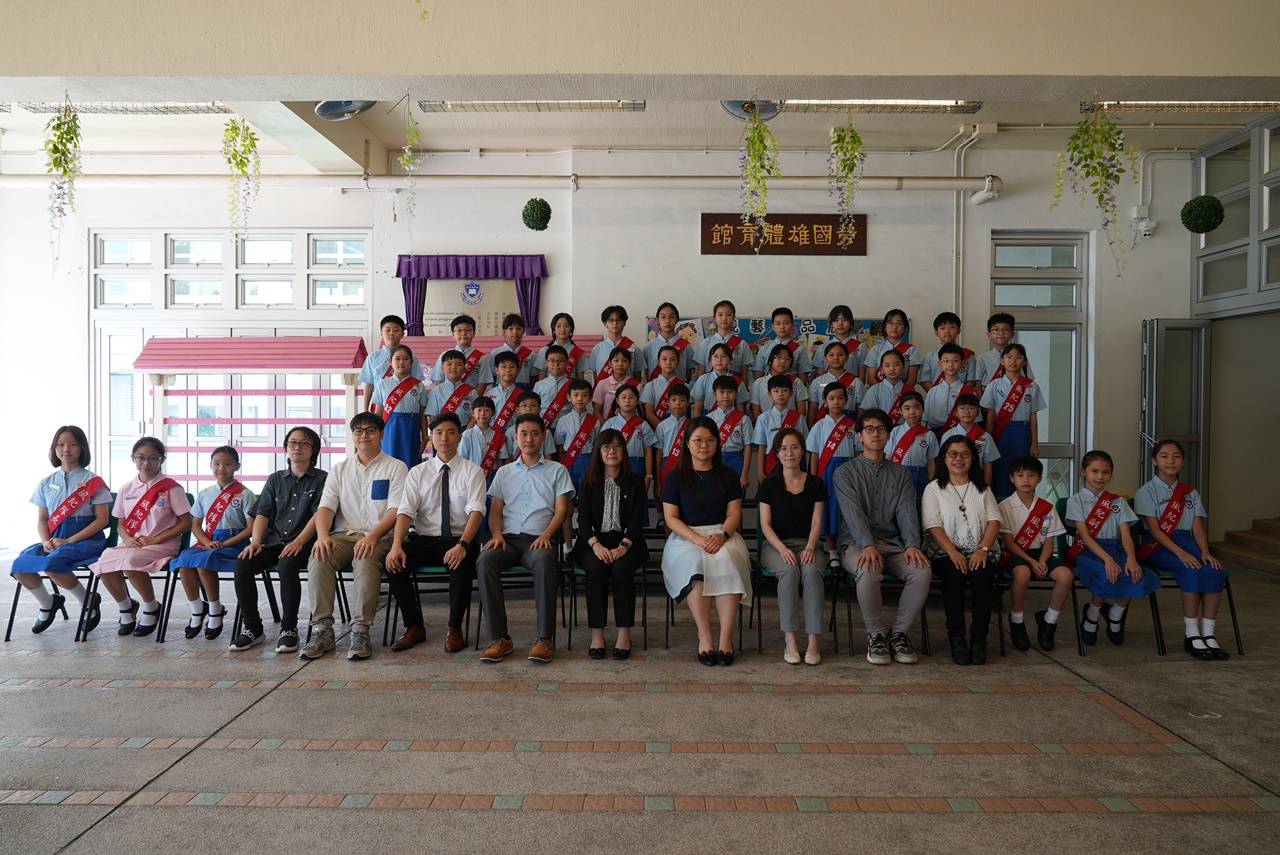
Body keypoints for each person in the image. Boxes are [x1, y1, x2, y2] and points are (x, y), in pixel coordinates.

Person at [302, 412, 407, 661]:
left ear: (381, 434)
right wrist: (322, 536)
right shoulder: (339, 469)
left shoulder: (396, 467)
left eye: (370, 430)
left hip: (380, 537)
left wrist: (372, 537)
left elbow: (396, 510)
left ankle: (360, 630)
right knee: (319, 556)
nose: (364, 435)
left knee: (365, 557)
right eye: (358, 431)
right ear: (352, 436)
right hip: (344, 535)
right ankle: (322, 630)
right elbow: (326, 507)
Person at [833, 408, 929, 666]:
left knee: (921, 571)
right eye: (869, 429)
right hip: (856, 543)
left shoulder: (902, 474)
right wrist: (867, 544)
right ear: (859, 436)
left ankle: (899, 634)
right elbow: (853, 514)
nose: (875, 434)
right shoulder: (845, 473)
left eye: (881, 429)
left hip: (893, 543)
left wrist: (912, 544)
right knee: (867, 569)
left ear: (888, 435)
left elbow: (907, 513)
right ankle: (876, 636)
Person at [384, 413, 486, 653]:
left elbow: (477, 512)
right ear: (431, 437)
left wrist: (462, 545)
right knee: (394, 564)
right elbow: (405, 511)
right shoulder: (418, 472)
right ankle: (414, 626)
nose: (444, 438)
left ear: (460, 437)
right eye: (438, 433)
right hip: (425, 540)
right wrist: (396, 545)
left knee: (462, 563)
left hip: (459, 539)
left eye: (451, 432)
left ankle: (454, 627)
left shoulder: (472, 471)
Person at [478, 413, 575, 664]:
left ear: (543, 437)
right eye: (523, 434)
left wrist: (547, 534)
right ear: (515, 437)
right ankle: (499, 639)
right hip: (507, 540)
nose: (529, 439)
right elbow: (495, 512)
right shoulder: (504, 472)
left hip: (540, 540)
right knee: (485, 560)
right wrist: (496, 535)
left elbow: (562, 511)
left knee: (544, 560)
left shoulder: (557, 470)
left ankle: (544, 639)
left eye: (534, 433)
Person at [661, 417, 752, 666]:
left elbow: (734, 514)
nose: (704, 445)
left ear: (717, 443)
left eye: (710, 440)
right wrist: (698, 540)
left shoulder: (728, 475)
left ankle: (726, 638)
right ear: (687, 443)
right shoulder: (675, 476)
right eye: (698, 440)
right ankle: (705, 636)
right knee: (695, 565)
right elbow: (671, 518)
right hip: (686, 537)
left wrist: (722, 536)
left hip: (723, 534)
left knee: (728, 560)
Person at [229, 427, 327, 653]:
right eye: (293, 442)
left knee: (287, 564)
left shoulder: (323, 479)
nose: (297, 447)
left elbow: (319, 514)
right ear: (286, 447)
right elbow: (262, 513)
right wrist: (255, 541)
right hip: (274, 542)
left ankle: (289, 629)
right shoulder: (275, 479)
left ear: (314, 450)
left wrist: (299, 541)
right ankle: (253, 628)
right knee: (243, 564)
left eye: (304, 443)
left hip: (306, 543)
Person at [10, 426, 112, 636]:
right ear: (54, 449)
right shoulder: (46, 482)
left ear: (82, 448)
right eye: (60, 444)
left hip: (86, 538)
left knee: (53, 564)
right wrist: (45, 541)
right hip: (55, 538)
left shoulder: (93, 481)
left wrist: (70, 540)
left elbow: (102, 520)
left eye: (73, 444)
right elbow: (42, 520)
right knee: (20, 565)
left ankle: (87, 601)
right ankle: (48, 603)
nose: (66, 449)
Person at [88, 437, 192, 637]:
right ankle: (126, 607)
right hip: (133, 543)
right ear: (133, 458)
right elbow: (120, 524)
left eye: (153, 458)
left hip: (162, 543)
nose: (146, 463)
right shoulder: (126, 489)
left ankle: (151, 607)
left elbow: (186, 523)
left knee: (131, 563)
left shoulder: (172, 488)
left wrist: (155, 540)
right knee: (104, 562)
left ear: (162, 460)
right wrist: (127, 538)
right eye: (141, 457)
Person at [1135, 439, 1227, 660]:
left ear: (1182, 461)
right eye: (1164, 456)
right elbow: (1155, 530)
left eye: (1176, 456)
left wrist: (1205, 552)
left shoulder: (1190, 493)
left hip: (1188, 542)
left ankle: (1208, 634)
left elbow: (1197, 527)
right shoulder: (1146, 492)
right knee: (1192, 570)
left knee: (1214, 571)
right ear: (1154, 461)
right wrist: (1180, 553)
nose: (1170, 461)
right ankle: (1192, 634)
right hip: (1159, 545)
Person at [1066, 450, 1159, 649]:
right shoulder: (1075, 501)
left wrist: (1132, 558)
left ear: (1111, 473)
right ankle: (1091, 616)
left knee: (1135, 574)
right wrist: (1107, 560)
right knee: (1108, 575)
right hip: (1088, 551)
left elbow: (1125, 534)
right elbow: (1085, 536)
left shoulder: (1118, 501)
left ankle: (1115, 615)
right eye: (1095, 471)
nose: (1100, 477)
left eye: (1105, 472)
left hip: (1115, 549)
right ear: (1083, 471)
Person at [923, 435, 1002, 665]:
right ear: (944, 458)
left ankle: (979, 638)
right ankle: (956, 637)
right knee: (954, 573)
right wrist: (952, 552)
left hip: (980, 549)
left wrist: (983, 549)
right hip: (945, 551)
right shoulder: (934, 488)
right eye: (953, 454)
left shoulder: (982, 488)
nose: (959, 458)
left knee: (982, 574)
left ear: (973, 458)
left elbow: (995, 521)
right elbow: (932, 525)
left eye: (965, 454)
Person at [574, 429, 648, 660]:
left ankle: (624, 634)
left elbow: (637, 520)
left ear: (624, 451)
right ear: (598, 451)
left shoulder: (636, 482)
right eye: (606, 447)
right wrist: (595, 545)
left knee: (622, 569)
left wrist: (623, 546)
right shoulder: (588, 482)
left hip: (628, 542)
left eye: (617, 446)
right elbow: (583, 520)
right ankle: (597, 635)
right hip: (593, 542)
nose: (611, 451)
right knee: (596, 570)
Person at [758, 427, 829, 665]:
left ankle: (813, 640)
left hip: (808, 544)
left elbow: (817, 522)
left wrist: (810, 547)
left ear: (803, 451)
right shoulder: (768, 485)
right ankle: (790, 639)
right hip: (775, 546)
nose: (789, 453)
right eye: (783, 449)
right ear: (777, 454)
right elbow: (765, 525)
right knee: (788, 571)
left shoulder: (816, 484)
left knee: (812, 571)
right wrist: (782, 549)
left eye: (795, 447)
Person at [170, 447, 255, 640]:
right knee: (185, 562)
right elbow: (196, 525)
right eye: (216, 463)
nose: (221, 468)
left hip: (235, 543)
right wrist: (207, 542)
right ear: (210, 465)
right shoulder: (205, 493)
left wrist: (225, 544)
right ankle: (197, 609)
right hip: (209, 542)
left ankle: (215, 610)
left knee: (203, 563)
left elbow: (251, 528)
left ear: (237, 466)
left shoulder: (245, 494)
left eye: (227, 463)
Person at [998, 456, 1071, 652]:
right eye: (1020, 475)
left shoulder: (1047, 508)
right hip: (1014, 552)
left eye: (1031, 475)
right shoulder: (1005, 506)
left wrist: (1043, 561)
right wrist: (1032, 562)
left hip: (1040, 553)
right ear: (1012, 478)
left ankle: (1049, 622)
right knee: (1023, 573)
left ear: (1039, 479)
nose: (1026, 480)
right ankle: (1017, 620)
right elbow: (1008, 542)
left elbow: (1048, 541)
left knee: (1065, 575)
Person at [980, 343, 1045, 499]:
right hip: (1001, 433)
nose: (1013, 361)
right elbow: (990, 414)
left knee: (1023, 470)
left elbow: (1033, 416)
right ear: (1002, 361)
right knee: (1000, 470)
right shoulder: (994, 385)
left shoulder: (1031, 386)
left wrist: (1035, 442)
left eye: (1018, 357)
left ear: (1024, 362)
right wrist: (989, 438)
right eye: (1009, 357)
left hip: (1023, 432)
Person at [807, 383, 859, 557]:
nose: (836, 402)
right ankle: (832, 553)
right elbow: (814, 455)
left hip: (848, 471)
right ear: (825, 402)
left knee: (846, 508)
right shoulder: (819, 426)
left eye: (840, 398)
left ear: (846, 400)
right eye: (831, 398)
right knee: (828, 510)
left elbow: (858, 453)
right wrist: (814, 479)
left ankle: (847, 549)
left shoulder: (852, 426)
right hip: (826, 472)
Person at [371, 344, 429, 471]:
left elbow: (422, 413)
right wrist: (375, 435)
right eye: (397, 359)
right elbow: (378, 414)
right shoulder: (383, 384)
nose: (401, 362)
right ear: (390, 361)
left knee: (410, 465)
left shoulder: (418, 385)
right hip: (389, 429)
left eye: (405, 359)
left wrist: (425, 436)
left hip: (411, 429)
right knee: (388, 465)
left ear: (411, 362)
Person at [359, 314, 425, 412]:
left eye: (396, 330)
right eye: (388, 330)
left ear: (402, 334)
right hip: (379, 405)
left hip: (404, 405)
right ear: (381, 333)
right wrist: (365, 410)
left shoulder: (411, 357)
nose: (391, 333)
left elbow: (416, 382)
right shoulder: (372, 358)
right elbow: (369, 385)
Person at [753, 374, 808, 481]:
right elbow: (761, 446)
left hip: (793, 462)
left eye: (785, 390)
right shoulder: (763, 418)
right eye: (776, 391)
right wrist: (760, 472)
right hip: (771, 464)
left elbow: (803, 444)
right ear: (769, 394)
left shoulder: (798, 418)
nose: (780, 394)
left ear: (791, 393)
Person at [940, 393, 999, 486]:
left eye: (971, 408)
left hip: (978, 477)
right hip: (953, 477)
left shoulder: (985, 436)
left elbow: (987, 465)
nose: (967, 412)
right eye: (962, 408)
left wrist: (987, 487)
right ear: (955, 413)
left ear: (978, 413)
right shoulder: (947, 436)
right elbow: (943, 461)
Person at [886, 390, 938, 497]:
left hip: (920, 475)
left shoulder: (929, 435)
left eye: (917, 407)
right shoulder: (895, 432)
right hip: (898, 474)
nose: (912, 412)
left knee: (918, 502)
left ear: (923, 409)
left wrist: (931, 483)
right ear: (900, 411)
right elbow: (888, 457)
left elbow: (931, 462)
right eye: (907, 408)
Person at [431, 313, 493, 398]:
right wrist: (447, 399)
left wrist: (473, 400)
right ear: (453, 334)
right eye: (459, 331)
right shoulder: (444, 355)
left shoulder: (481, 358)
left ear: (474, 333)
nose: (463, 333)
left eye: (468, 330)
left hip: (470, 401)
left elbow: (482, 384)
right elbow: (439, 380)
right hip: (448, 401)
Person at [707, 375, 753, 489]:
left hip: (736, 459)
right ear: (714, 394)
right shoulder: (709, 419)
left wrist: (745, 474)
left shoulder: (744, 419)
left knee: (736, 494)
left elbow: (748, 447)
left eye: (730, 392)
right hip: (715, 459)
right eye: (721, 392)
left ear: (736, 394)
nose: (726, 396)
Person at [972, 312, 1034, 393]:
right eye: (996, 329)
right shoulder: (983, 358)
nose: (1001, 333)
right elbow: (978, 386)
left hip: (1015, 396)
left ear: (1012, 334)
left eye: (1006, 329)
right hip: (989, 396)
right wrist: (983, 401)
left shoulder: (1019, 356)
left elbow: (1028, 380)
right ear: (989, 334)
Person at [694, 299, 752, 381]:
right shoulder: (705, 343)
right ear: (714, 318)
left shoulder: (742, 344)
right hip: (710, 385)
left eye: (728, 315)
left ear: (734, 317)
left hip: (733, 385)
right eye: (720, 315)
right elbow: (701, 372)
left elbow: (744, 374)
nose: (724, 318)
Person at [808, 340, 863, 426]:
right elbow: (812, 409)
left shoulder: (856, 382)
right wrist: (811, 429)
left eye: (840, 354)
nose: (836, 358)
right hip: (823, 425)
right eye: (831, 355)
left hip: (849, 426)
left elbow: (860, 410)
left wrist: (859, 429)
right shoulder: (817, 382)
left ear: (847, 358)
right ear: (825, 358)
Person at [923, 343, 976, 431]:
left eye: (955, 361)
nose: (950, 365)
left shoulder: (969, 392)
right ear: (939, 364)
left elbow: (974, 420)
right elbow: (926, 420)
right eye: (946, 361)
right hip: (936, 433)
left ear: (962, 363)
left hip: (961, 432)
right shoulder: (932, 392)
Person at [862, 309, 920, 387]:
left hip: (904, 393)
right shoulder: (875, 350)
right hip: (880, 392)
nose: (894, 327)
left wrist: (901, 393)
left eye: (899, 323)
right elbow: (871, 378)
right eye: (891, 323)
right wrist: (881, 392)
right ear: (885, 327)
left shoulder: (912, 350)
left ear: (904, 327)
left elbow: (912, 380)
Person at [752, 306, 811, 382]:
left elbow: (803, 376)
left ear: (792, 325)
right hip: (768, 387)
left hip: (791, 387)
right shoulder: (764, 349)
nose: (782, 327)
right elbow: (759, 374)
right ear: (773, 327)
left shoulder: (800, 350)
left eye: (786, 323)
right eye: (778, 323)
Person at [689, 342, 750, 417]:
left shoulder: (738, 381)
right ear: (710, 361)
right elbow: (698, 407)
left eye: (723, 356)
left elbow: (740, 408)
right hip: (707, 419)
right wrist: (696, 423)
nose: (719, 360)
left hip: (730, 420)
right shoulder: (703, 379)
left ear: (730, 360)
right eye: (715, 356)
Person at [750, 344, 807, 421]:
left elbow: (801, 410)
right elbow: (756, 411)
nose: (783, 361)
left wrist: (790, 425)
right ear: (771, 359)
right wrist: (765, 425)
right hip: (765, 425)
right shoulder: (759, 383)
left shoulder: (796, 382)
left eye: (787, 359)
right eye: (779, 357)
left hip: (790, 425)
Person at [920, 311, 974, 391]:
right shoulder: (930, 356)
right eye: (942, 328)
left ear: (959, 330)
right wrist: (936, 394)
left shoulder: (968, 355)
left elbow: (971, 380)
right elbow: (925, 380)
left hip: (961, 396)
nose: (947, 331)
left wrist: (960, 394)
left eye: (952, 327)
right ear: (936, 333)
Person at [590, 304, 645, 382]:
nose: (615, 323)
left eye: (619, 320)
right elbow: (595, 376)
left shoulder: (634, 348)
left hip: (627, 388)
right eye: (611, 320)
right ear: (605, 323)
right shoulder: (597, 349)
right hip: (604, 389)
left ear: (624, 323)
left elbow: (637, 377)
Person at [426, 349, 477, 432]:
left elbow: (476, 416)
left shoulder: (472, 392)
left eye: (458, 364)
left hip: (466, 431)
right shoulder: (436, 391)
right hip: (443, 432)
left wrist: (466, 433)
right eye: (449, 364)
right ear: (442, 368)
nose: (453, 367)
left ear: (464, 369)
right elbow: (433, 416)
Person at [643, 302, 694, 382]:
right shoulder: (648, 347)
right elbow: (645, 372)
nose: (667, 321)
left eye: (672, 317)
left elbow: (688, 373)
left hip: (678, 389)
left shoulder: (686, 346)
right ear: (657, 320)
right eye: (663, 317)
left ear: (677, 320)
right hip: (655, 389)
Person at [861, 349, 915, 425]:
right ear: (882, 369)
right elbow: (868, 415)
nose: (892, 369)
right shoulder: (874, 390)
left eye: (896, 365)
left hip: (904, 430)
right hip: (881, 429)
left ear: (903, 368)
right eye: (887, 365)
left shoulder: (910, 391)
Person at [489, 313, 535, 390]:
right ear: (504, 331)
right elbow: (493, 377)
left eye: (519, 328)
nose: (515, 332)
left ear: (523, 331)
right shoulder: (496, 353)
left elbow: (533, 378)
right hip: (502, 391)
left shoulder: (530, 354)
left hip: (523, 391)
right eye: (511, 328)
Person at [535, 312, 587, 380]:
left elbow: (581, 381)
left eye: (566, 326)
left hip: (570, 386)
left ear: (571, 329)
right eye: (559, 326)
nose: (562, 329)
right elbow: (541, 379)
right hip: (549, 386)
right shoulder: (544, 351)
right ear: (553, 329)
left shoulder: (578, 353)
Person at [641, 344, 683, 427]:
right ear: (658, 362)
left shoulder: (684, 385)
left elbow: (685, 412)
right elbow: (649, 414)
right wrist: (663, 430)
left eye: (673, 359)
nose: (668, 363)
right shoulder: (650, 386)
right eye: (664, 359)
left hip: (679, 429)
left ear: (678, 362)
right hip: (656, 430)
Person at [592, 346, 638, 421]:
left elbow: (640, 411)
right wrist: (606, 425)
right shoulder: (602, 384)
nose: (620, 364)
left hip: (631, 426)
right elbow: (596, 412)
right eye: (616, 360)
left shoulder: (636, 385)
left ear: (629, 364)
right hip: (608, 425)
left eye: (624, 361)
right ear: (610, 363)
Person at [533, 345, 572, 428]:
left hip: (567, 427)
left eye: (560, 361)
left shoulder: (572, 385)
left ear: (567, 363)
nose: (556, 364)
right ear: (546, 363)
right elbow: (534, 408)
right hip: (545, 426)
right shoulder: (539, 385)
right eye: (552, 361)